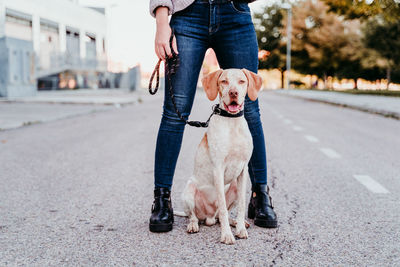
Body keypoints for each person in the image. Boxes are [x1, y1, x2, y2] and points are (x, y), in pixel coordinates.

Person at [148, 0, 277, 232]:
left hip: (234, 13)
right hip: (187, 15)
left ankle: (260, 196)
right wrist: (161, 22)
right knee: (174, 113)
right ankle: (161, 199)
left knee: (249, 109)